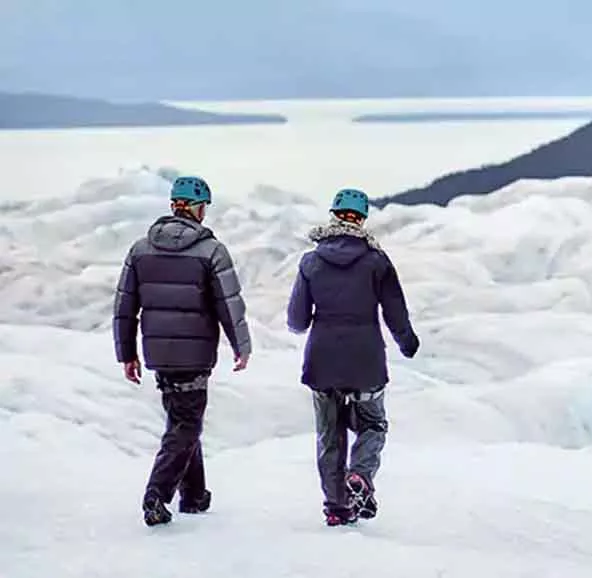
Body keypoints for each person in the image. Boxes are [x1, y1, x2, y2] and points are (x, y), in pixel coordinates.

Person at [113, 175, 253, 527]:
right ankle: (156, 494)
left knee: (182, 419)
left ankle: (194, 496)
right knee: (186, 424)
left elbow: (125, 307)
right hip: (195, 355)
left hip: (158, 354)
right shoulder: (211, 250)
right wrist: (242, 346)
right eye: (204, 206)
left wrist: (126, 353)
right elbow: (229, 304)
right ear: (198, 207)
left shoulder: (140, 249)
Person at [287, 188, 420, 527]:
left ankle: (336, 507)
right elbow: (395, 313)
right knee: (373, 424)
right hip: (366, 361)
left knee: (330, 436)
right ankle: (359, 475)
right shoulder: (377, 261)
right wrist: (407, 343)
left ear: (334, 215)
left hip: (322, 360)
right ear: (361, 218)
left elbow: (297, 321)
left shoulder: (310, 261)